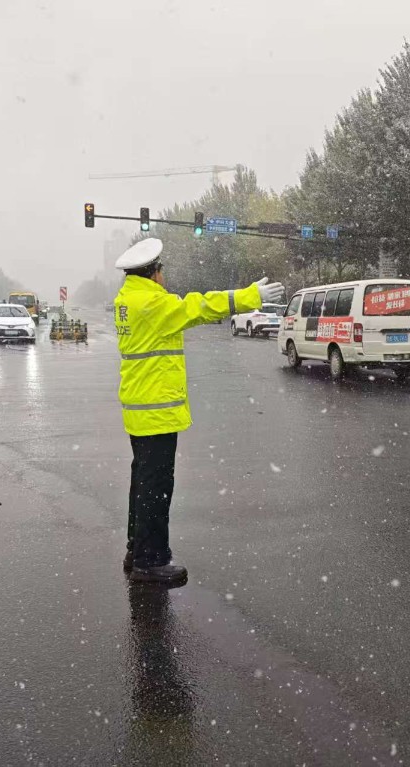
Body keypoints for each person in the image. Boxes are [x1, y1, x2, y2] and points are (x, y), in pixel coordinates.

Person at [114, 238, 284, 586]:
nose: (164, 277)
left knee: (143, 484)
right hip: (156, 411)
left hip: (140, 408)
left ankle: (137, 548)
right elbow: (199, 307)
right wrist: (248, 296)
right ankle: (151, 560)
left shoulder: (127, 300)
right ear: (153, 274)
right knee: (156, 487)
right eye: (161, 271)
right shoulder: (151, 303)